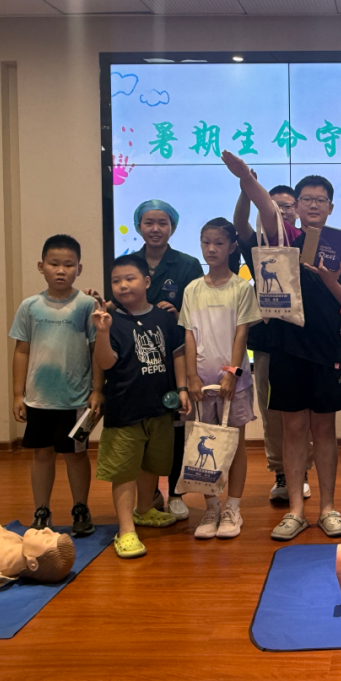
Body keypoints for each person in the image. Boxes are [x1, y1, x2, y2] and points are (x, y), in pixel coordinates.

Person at [222, 150, 341, 541]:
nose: (314, 206)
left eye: (321, 200)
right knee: (293, 428)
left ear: (331, 207)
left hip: (326, 348)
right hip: (285, 347)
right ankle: (296, 511)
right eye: (306, 200)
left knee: (325, 429)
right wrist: (247, 178)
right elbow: (265, 208)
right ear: (296, 207)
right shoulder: (284, 238)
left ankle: (328, 508)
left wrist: (331, 282)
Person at [91, 255, 190, 559]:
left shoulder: (164, 317)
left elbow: (177, 353)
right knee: (124, 469)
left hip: (159, 407)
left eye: (130, 278)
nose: (123, 285)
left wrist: (182, 388)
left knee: (152, 464)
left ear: (146, 282)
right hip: (124, 408)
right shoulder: (110, 320)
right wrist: (103, 332)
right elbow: (106, 363)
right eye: (116, 281)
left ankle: (144, 509)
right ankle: (125, 529)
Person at [9, 234, 100, 537]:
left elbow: (96, 351)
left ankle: (81, 508)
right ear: (41, 266)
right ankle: (41, 510)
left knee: (76, 455)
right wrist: (18, 394)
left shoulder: (87, 305)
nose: (61, 270)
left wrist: (97, 390)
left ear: (79, 268)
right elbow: (21, 351)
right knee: (42, 454)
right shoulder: (30, 306)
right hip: (39, 398)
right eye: (54, 264)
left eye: (69, 265)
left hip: (75, 399)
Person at [179, 218, 261, 541]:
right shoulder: (192, 289)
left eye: (218, 243)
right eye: (206, 242)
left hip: (233, 384)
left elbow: (241, 335)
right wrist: (191, 377)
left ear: (231, 247)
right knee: (205, 444)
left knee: (235, 444)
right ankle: (211, 507)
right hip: (201, 384)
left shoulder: (241, 288)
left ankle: (232, 508)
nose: (211, 249)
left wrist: (232, 374)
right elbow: (189, 335)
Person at [233, 179, 313, 504]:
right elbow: (239, 223)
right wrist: (245, 189)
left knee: (303, 411)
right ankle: (281, 471)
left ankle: (302, 471)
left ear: (297, 210)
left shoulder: (310, 241)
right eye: (275, 206)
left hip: (306, 340)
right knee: (272, 411)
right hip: (268, 342)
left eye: (287, 206)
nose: (282, 211)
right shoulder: (259, 246)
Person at [130, 199, 205, 524]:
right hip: (136, 360)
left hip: (174, 356)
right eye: (149, 222)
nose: (156, 229)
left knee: (176, 427)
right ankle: (148, 496)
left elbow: (198, 311)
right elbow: (118, 302)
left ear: (172, 227)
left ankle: (175, 493)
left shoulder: (187, 264)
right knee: (140, 428)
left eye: (162, 223)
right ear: (139, 226)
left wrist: (177, 314)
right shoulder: (128, 263)